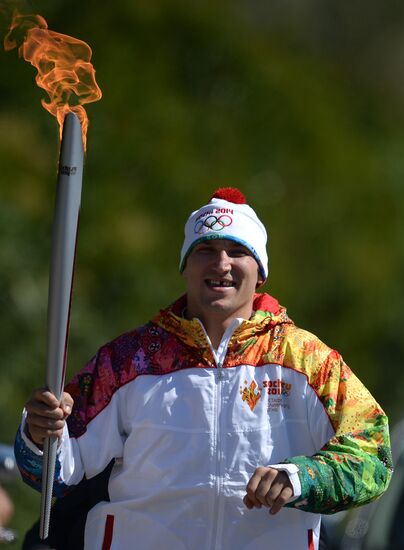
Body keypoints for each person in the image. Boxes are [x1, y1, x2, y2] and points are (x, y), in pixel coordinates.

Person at [15, 187, 392, 550]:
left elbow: (374, 455)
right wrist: (41, 433)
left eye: (237, 251)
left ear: (259, 272)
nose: (221, 263)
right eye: (206, 250)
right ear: (186, 266)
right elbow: (55, 473)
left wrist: (301, 479)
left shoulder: (307, 360)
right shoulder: (130, 360)